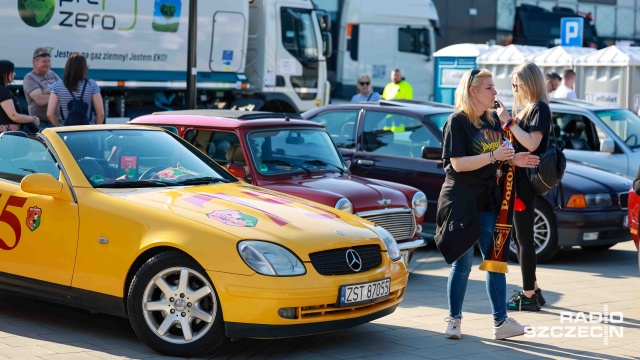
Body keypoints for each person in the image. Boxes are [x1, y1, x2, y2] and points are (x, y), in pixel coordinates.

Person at [436, 68, 539, 340]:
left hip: (488, 200)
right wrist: (494, 155)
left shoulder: (493, 119)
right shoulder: (457, 122)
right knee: (463, 264)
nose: (495, 92)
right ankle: (454, 320)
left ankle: (500, 323)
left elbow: (500, 156)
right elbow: (458, 164)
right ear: (473, 92)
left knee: (495, 261)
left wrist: (512, 158)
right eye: (490, 88)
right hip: (461, 200)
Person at [496, 61, 552, 312]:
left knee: (524, 240)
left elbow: (531, 143)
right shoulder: (531, 108)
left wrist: (509, 121)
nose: (514, 89)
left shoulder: (539, 108)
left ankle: (528, 294)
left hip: (525, 184)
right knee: (522, 238)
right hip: (520, 181)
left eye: (517, 84)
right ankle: (535, 290)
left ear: (529, 83)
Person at [47, 54, 104, 126]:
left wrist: (59, 127)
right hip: (87, 130)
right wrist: (95, 130)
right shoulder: (92, 85)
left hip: (67, 131)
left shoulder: (57, 86)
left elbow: (50, 114)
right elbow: (101, 114)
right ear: (84, 68)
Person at [23, 47, 61, 129]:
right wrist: (56, 94)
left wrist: (46, 91)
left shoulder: (52, 74)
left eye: (49, 61)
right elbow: (40, 100)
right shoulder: (29, 78)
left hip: (56, 120)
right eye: (44, 61)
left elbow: (64, 89)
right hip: (41, 123)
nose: (47, 64)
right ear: (35, 62)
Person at [0, 60, 40, 133]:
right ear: (4, 73)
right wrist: (32, 119)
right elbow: (14, 116)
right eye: (12, 71)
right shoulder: (2, 91)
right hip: (9, 137)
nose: (14, 74)